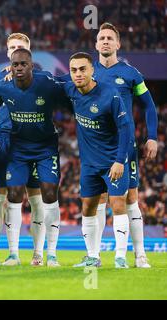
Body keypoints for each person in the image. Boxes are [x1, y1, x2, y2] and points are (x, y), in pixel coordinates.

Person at [0, 48, 70, 266]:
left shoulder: (46, 82)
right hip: (18, 148)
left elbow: (68, 93)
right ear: (10, 65)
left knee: (48, 192)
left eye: (23, 64)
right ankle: (13, 254)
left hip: (46, 148)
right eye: (15, 64)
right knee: (14, 194)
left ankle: (51, 254)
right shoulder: (3, 86)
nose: (19, 68)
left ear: (31, 64)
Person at [91, 23, 157, 268]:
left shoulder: (131, 74)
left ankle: (139, 255)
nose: (105, 41)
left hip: (123, 146)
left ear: (118, 44)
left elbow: (149, 106)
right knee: (95, 201)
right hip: (95, 147)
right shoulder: (89, 72)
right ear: (96, 44)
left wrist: (152, 136)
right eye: (101, 38)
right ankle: (94, 256)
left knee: (130, 199)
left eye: (110, 38)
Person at [0, 33, 49, 266]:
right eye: (12, 48)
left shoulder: (42, 79)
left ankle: (38, 254)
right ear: (7, 53)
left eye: (21, 47)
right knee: (2, 199)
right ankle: (2, 252)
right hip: (3, 144)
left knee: (36, 199)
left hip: (34, 145)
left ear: (29, 52)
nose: (16, 50)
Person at [64, 52, 131, 268]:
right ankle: (93, 257)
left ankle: (120, 257)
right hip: (89, 165)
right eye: (74, 70)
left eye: (83, 69)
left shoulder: (109, 94)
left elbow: (126, 128)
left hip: (113, 162)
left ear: (92, 70)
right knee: (87, 208)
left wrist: (120, 160)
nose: (78, 74)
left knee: (118, 203)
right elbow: (43, 79)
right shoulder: (70, 89)